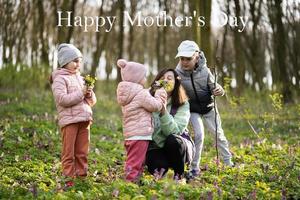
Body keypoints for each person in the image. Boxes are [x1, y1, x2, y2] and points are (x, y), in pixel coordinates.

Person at [175, 40, 234, 177]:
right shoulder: (178, 73)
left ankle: (228, 162)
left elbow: (215, 87)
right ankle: (194, 168)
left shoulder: (206, 71)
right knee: (199, 135)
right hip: (193, 109)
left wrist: (219, 90)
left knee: (218, 134)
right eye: (182, 59)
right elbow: (170, 86)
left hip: (209, 108)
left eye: (188, 59)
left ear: (197, 56)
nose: (184, 62)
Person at [50, 43, 97, 188]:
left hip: (84, 120)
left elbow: (92, 102)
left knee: (82, 152)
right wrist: (81, 93)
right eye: (75, 61)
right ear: (65, 62)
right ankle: (68, 181)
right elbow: (62, 100)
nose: (78, 64)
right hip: (70, 121)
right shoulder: (59, 79)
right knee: (68, 153)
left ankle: (82, 179)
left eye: (79, 61)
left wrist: (89, 94)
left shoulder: (81, 78)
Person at [116, 59, 167, 182]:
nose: (145, 78)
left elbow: (143, 96)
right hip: (140, 134)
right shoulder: (141, 94)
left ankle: (135, 181)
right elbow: (155, 106)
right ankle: (130, 185)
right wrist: (160, 94)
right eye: (143, 75)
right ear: (137, 78)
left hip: (130, 134)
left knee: (136, 160)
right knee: (135, 162)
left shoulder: (127, 92)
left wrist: (153, 88)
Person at [145, 68, 193, 180]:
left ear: (176, 83)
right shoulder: (147, 98)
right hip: (156, 146)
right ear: (157, 82)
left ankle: (179, 176)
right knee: (158, 169)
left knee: (172, 140)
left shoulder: (183, 104)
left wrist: (163, 111)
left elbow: (175, 132)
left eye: (169, 78)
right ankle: (164, 175)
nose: (165, 81)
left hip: (177, 146)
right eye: (162, 79)